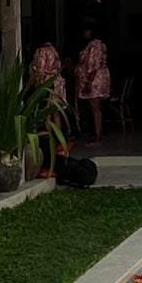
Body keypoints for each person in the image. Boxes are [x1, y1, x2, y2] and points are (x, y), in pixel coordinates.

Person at [29, 40, 67, 176]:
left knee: (46, 114)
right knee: (56, 112)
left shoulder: (41, 51)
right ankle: (60, 139)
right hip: (57, 82)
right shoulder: (53, 50)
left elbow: (39, 69)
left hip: (47, 83)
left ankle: (49, 138)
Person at [75, 23, 111, 143]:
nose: (84, 34)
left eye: (86, 31)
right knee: (96, 107)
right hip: (100, 77)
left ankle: (98, 137)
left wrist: (88, 82)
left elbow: (92, 65)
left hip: (95, 79)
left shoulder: (95, 45)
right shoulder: (100, 44)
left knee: (95, 107)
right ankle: (98, 133)